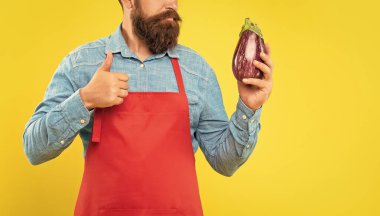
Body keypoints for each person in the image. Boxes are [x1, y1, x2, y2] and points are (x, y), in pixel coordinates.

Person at [22, 0, 274, 215]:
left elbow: (225, 162)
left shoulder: (197, 71)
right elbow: (34, 149)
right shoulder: (81, 64)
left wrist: (248, 108)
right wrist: (85, 99)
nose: (172, 5)